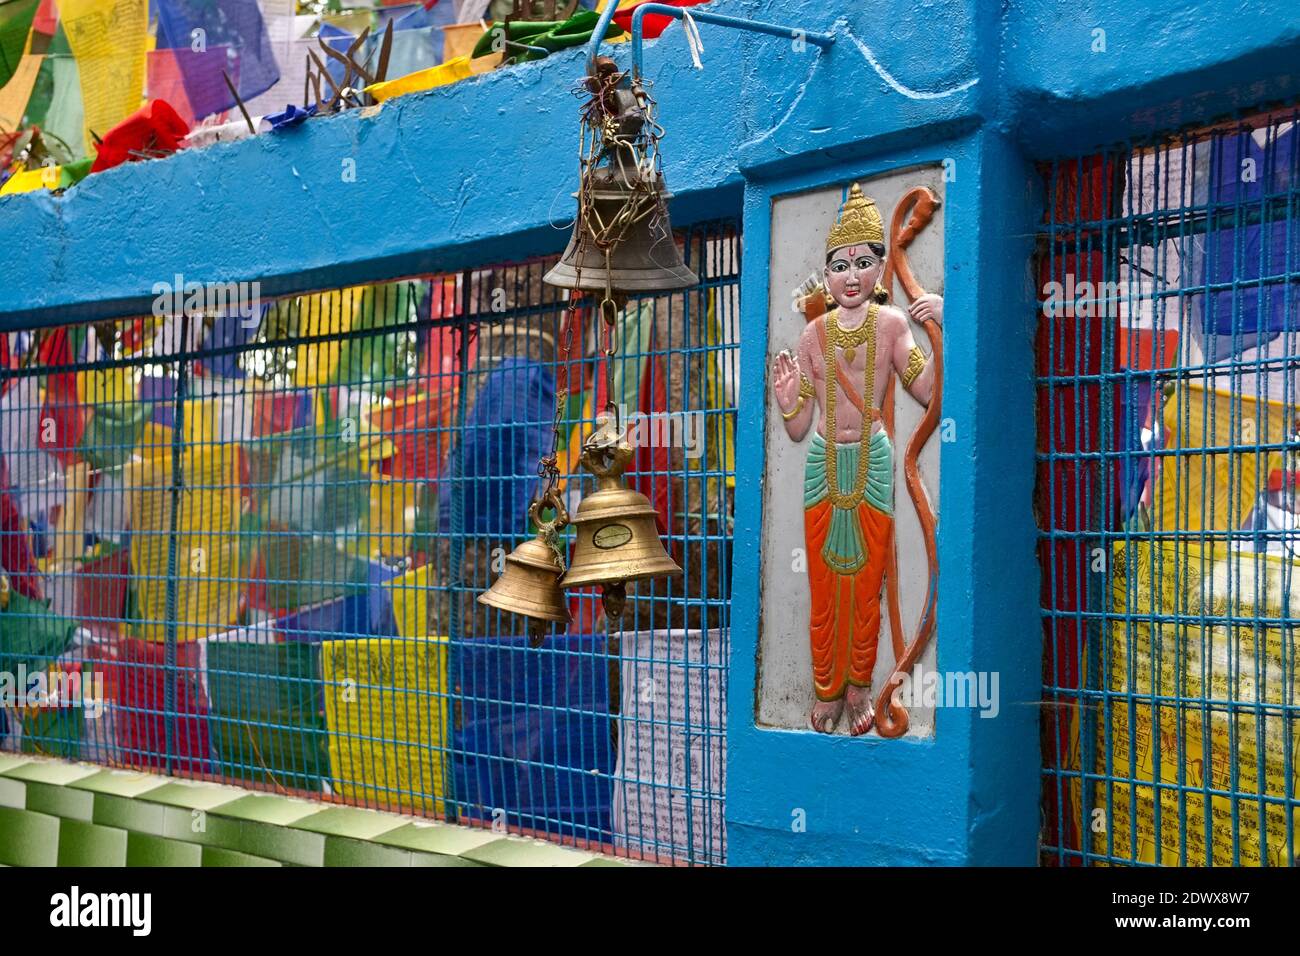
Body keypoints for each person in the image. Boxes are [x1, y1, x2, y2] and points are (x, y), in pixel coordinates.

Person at [771, 183, 942, 735]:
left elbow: (929, 389)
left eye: (864, 264)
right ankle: (826, 689)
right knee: (824, 584)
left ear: (877, 269)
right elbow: (798, 426)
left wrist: (944, 319)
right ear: (827, 272)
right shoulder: (813, 335)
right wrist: (787, 398)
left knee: (866, 583)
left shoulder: (892, 326)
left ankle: (860, 686)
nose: (850, 276)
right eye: (839, 265)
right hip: (824, 460)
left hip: (871, 460)